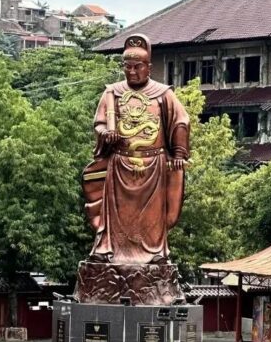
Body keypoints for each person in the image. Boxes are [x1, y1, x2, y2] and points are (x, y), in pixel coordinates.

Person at [82, 34, 191, 265]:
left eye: (137, 67)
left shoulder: (163, 94)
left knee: (151, 217)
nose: (132, 72)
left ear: (148, 67)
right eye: (127, 67)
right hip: (120, 164)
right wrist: (105, 134)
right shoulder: (112, 92)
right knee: (118, 216)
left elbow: (181, 121)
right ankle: (109, 250)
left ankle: (153, 253)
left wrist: (179, 153)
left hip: (153, 166)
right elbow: (100, 123)